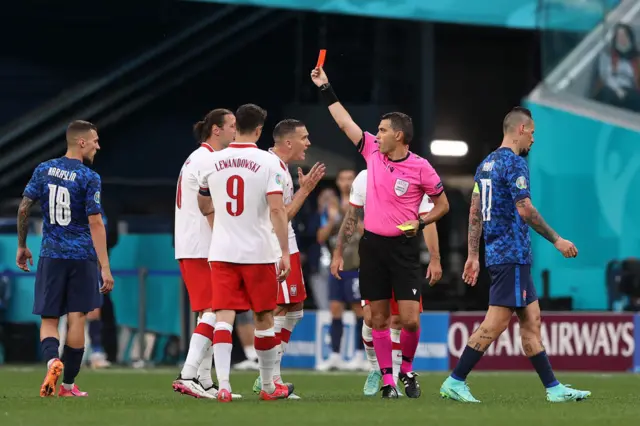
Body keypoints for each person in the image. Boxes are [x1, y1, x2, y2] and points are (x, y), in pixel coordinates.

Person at [311, 66, 449, 398]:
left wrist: (422, 224)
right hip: (372, 248)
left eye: (383, 129)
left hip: (403, 248)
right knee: (377, 318)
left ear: (398, 136)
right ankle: (388, 381)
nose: (377, 133)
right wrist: (326, 87)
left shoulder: (421, 167)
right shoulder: (372, 151)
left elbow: (442, 205)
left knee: (412, 320)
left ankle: (407, 369)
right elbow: (345, 123)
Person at [440, 107, 591, 403]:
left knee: (532, 318)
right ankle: (455, 380)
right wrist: (557, 240)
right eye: (532, 133)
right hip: (512, 253)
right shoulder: (514, 163)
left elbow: (475, 211)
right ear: (521, 129)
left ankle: (553, 388)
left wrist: (473, 254)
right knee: (496, 322)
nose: (533, 140)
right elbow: (526, 210)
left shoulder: (485, 165)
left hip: (500, 253)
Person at [197, 103, 293, 402]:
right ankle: (267, 387)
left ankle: (223, 384)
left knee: (223, 315)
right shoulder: (268, 162)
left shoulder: (212, 161)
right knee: (263, 316)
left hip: (223, 250)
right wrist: (285, 251)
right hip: (258, 252)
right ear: (260, 130)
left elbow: (203, 204)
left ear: (235, 125)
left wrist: (221, 221)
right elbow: (277, 209)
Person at [16, 120, 114, 397]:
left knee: (49, 319)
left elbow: (24, 208)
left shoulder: (44, 170)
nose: (98, 144)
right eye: (94, 140)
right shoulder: (89, 177)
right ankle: (69, 386)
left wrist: (22, 245)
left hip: (51, 254)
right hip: (82, 257)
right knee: (78, 318)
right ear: (81, 142)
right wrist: (104, 267)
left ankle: (52, 361)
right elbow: (96, 222)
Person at [331, 169, 442, 395]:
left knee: (405, 321)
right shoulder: (366, 176)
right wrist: (338, 251)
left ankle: (400, 372)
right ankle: (378, 370)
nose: (379, 139)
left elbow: (428, 220)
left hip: (404, 256)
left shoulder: (415, 172)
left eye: (383, 131)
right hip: (373, 256)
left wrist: (435, 257)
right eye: (378, 133)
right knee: (372, 318)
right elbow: (351, 216)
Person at [251, 118, 326, 398]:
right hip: (275, 247)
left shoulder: (279, 167)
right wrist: (305, 191)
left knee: (294, 308)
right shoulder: (272, 167)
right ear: (289, 142)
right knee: (279, 310)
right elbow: (280, 215)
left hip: (287, 245)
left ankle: (270, 375)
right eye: (304, 138)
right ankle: (269, 379)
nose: (308, 143)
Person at [172, 108, 239, 399]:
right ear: (216, 130)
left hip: (194, 244)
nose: (235, 131)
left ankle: (204, 379)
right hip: (201, 245)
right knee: (214, 308)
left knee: (208, 311)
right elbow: (209, 205)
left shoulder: (196, 158)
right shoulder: (208, 160)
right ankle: (187, 374)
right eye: (232, 126)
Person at [316, 169, 368, 372]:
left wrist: (350, 214)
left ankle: (359, 355)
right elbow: (320, 237)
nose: (346, 182)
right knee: (335, 310)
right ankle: (335, 356)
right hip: (337, 266)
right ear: (338, 182)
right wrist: (332, 218)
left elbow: (366, 232)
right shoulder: (331, 206)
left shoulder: (363, 205)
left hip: (356, 265)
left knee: (359, 310)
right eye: (343, 178)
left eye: (350, 179)